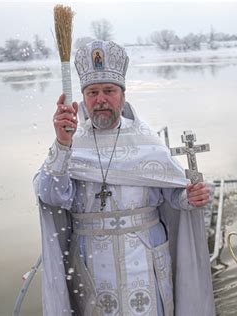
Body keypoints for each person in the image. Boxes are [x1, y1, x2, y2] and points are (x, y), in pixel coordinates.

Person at [34, 40, 215, 316]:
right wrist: (61, 145)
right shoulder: (71, 141)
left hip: (144, 257)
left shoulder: (145, 140)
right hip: (92, 261)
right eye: (93, 92)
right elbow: (52, 196)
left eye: (109, 90)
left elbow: (172, 195)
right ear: (83, 98)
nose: (101, 99)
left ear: (123, 94)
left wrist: (188, 197)